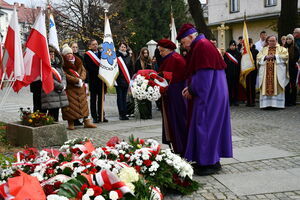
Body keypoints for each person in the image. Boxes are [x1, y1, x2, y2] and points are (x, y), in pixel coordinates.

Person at [178, 23, 232, 175]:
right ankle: (213, 161)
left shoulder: (201, 46)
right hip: (215, 92)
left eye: (183, 42)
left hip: (209, 94)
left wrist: (192, 89)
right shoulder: (203, 44)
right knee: (212, 127)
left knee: (205, 126)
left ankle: (207, 163)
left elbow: (204, 76)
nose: (184, 46)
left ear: (190, 36)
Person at [157, 39, 187, 156]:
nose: (160, 53)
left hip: (177, 96)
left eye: (162, 51)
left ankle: (182, 147)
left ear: (169, 50)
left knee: (178, 122)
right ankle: (177, 146)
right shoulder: (169, 58)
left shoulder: (175, 59)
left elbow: (175, 78)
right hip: (170, 95)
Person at [61, 45, 96, 130]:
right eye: (67, 54)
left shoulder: (78, 61)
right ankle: (71, 123)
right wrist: (76, 80)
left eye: (70, 53)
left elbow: (83, 71)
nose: (69, 55)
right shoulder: (63, 64)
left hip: (80, 87)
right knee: (70, 107)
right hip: (70, 88)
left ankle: (86, 121)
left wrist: (81, 79)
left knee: (83, 105)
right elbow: (65, 75)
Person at [257, 36, 289, 109]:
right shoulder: (263, 49)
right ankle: (266, 105)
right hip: (266, 73)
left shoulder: (282, 49)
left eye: (273, 41)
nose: (271, 42)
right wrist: (265, 57)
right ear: (268, 42)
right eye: (270, 41)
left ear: (276, 41)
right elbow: (258, 57)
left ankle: (277, 105)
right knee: (266, 86)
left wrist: (275, 56)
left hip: (277, 73)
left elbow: (286, 57)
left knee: (276, 85)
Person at [40, 46, 68, 122]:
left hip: (59, 91)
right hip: (51, 92)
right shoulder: (44, 65)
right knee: (51, 112)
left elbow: (63, 75)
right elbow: (49, 79)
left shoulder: (57, 64)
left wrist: (63, 84)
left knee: (56, 112)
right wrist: (60, 86)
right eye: (50, 54)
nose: (52, 56)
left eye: (53, 54)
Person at [84, 39, 108, 123]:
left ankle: (101, 115)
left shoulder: (102, 54)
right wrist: (99, 71)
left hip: (101, 80)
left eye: (96, 44)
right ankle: (94, 116)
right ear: (90, 46)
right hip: (93, 79)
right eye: (93, 44)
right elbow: (89, 67)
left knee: (101, 99)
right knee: (93, 99)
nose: (95, 46)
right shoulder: (87, 55)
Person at [116, 42, 132, 120]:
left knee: (124, 97)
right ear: (119, 48)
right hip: (119, 80)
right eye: (121, 47)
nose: (123, 48)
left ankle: (125, 113)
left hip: (126, 80)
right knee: (120, 97)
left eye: (124, 47)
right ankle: (121, 113)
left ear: (126, 48)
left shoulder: (129, 57)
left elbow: (130, 69)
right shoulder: (116, 57)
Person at [134, 47, 153, 119]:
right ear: (142, 53)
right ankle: (143, 114)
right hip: (141, 82)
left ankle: (149, 113)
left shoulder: (149, 61)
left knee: (149, 98)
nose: (146, 54)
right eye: (144, 53)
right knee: (142, 98)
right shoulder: (138, 61)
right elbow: (136, 72)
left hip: (148, 81)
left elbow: (152, 71)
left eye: (147, 53)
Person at [70, 42, 84, 126]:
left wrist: (82, 79)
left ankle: (79, 118)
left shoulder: (80, 57)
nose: (75, 49)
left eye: (76, 47)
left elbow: (83, 70)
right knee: (73, 103)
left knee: (80, 102)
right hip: (72, 83)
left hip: (80, 82)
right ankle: (74, 119)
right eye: (73, 47)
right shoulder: (67, 58)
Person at [224, 40, 241, 106]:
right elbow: (225, 64)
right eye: (231, 45)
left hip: (236, 73)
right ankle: (230, 100)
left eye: (234, 45)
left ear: (236, 46)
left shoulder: (238, 53)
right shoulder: (226, 53)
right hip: (229, 73)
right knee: (229, 87)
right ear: (229, 46)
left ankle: (236, 100)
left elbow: (239, 64)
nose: (233, 47)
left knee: (236, 87)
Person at [284, 34, 299, 106]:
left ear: (292, 40)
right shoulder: (284, 47)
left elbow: (295, 58)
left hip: (293, 68)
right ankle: (287, 100)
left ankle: (293, 100)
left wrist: (289, 63)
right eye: (287, 39)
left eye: (290, 39)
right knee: (286, 84)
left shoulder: (296, 48)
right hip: (285, 69)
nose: (288, 40)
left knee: (293, 85)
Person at [245, 38, 259, 107]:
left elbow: (257, 60)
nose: (249, 45)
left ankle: (252, 100)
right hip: (247, 70)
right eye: (248, 44)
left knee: (252, 85)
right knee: (248, 86)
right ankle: (248, 101)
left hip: (253, 70)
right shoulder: (245, 51)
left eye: (250, 43)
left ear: (252, 43)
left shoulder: (256, 51)